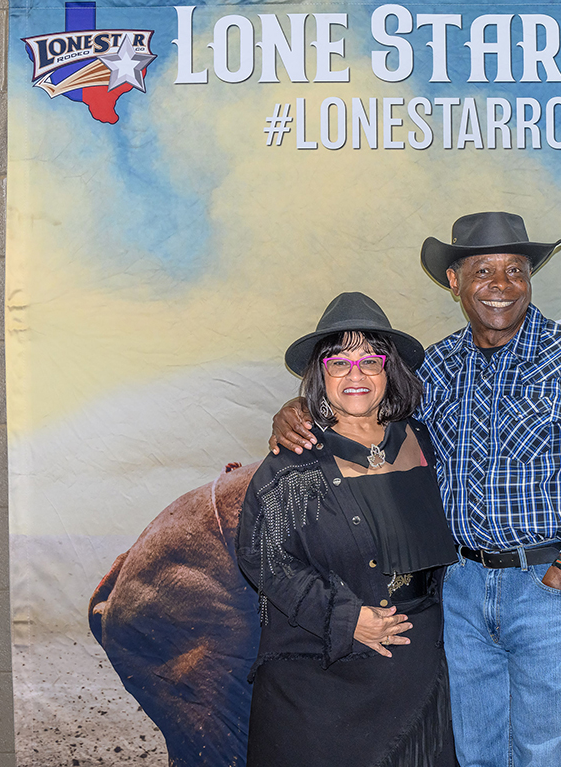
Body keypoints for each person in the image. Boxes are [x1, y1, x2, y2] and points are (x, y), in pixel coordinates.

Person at [271, 213, 561, 767]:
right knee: (476, 752)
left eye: (515, 270)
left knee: (548, 752)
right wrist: (298, 408)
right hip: (463, 586)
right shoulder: (438, 367)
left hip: (547, 586)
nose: (501, 284)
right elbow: (363, 410)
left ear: (530, 279)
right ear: (454, 282)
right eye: (483, 270)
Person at [236, 292, 459, 767]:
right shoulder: (292, 464)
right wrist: (346, 618)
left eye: (370, 360)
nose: (355, 374)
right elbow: (265, 560)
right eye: (339, 362)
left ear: (389, 370)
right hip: (316, 693)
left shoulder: (428, 443)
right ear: (320, 374)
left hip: (416, 679)